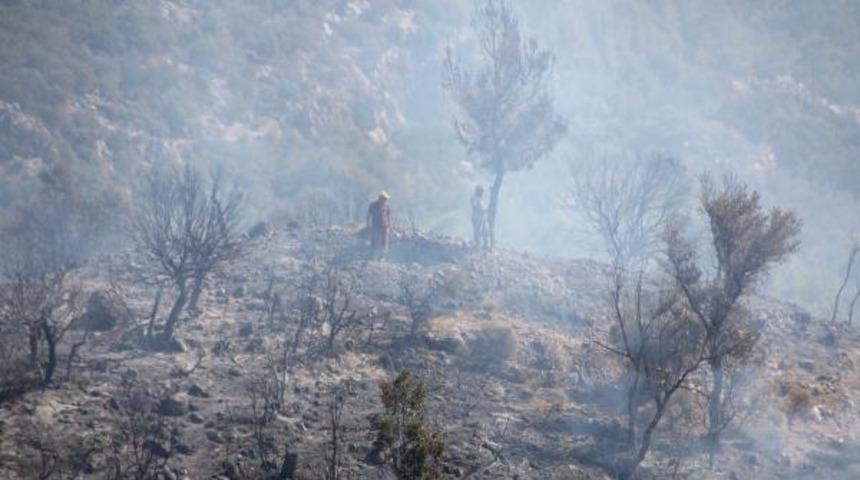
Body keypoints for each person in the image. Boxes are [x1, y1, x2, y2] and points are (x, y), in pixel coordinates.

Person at [367, 191, 392, 258]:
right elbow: (369, 216)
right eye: (384, 199)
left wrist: (390, 226)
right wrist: (368, 225)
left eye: (386, 199)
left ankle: (382, 256)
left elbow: (388, 216)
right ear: (380, 198)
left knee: (385, 242)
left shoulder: (387, 206)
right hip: (376, 226)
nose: (386, 200)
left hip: (385, 226)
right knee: (374, 241)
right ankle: (372, 255)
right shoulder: (373, 205)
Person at [470, 185, 489, 250]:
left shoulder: (481, 199)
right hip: (477, 218)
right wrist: (481, 210)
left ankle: (484, 246)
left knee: (485, 232)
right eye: (481, 191)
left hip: (482, 218)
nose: (482, 193)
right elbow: (474, 206)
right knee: (477, 232)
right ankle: (477, 246)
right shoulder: (474, 198)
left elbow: (483, 208)